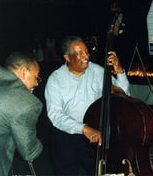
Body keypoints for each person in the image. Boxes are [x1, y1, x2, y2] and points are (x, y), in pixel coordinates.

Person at [45, 35, 130, 176]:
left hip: (95, 135)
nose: (85, 56)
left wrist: (119, 69)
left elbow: (123, 95)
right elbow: (55, 115)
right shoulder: (55, 79)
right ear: (67, 57)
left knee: (99, 172)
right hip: (66, 137)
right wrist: (83, 128)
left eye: (86, 51)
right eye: (79, 53)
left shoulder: (97, 71)